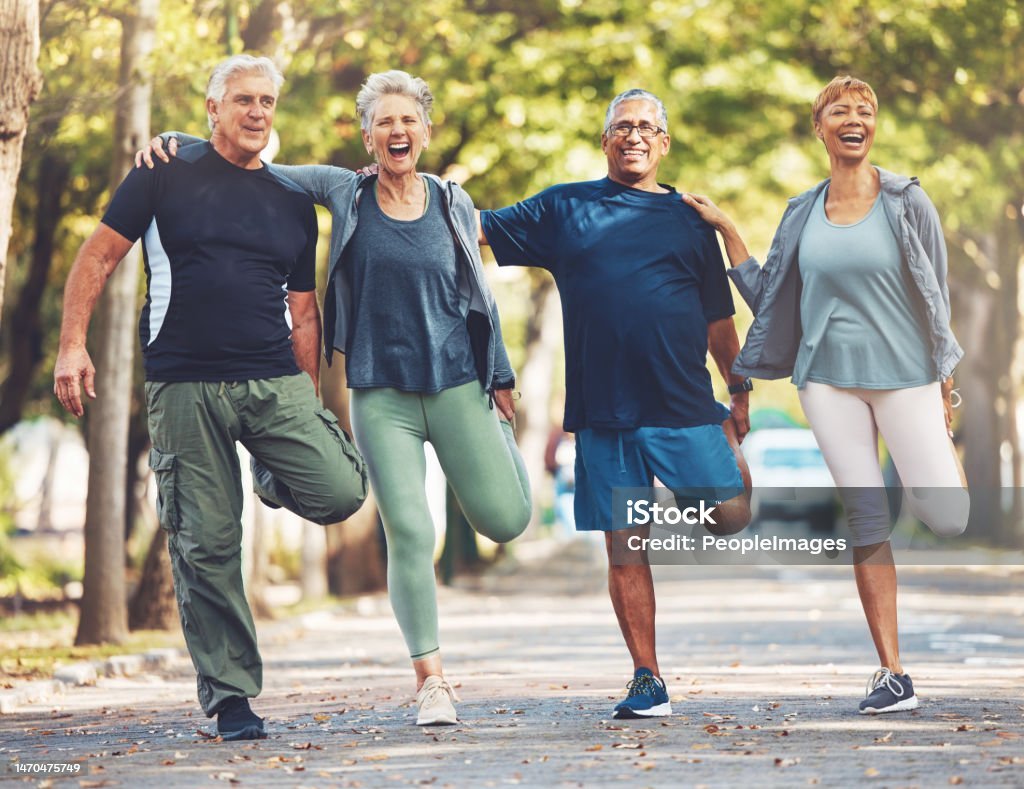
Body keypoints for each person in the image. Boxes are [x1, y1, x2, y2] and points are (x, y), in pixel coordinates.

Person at [140, 70, 531, 726]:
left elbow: (481, 296)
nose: (397, 131)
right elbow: (257, 159)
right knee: (411, 529)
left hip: (460, 383)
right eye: (384, 122)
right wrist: (178, 140)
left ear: (425, 131)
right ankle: (431, 680)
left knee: (507, 519)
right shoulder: (343, 193)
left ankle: (504, 449)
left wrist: (501, 372)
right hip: (382, 394)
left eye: (408, 120)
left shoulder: (453, 203)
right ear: (368, 135)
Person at [53, 55, 368, 740]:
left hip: (271, 380)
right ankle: (231, 697)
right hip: (184, 382)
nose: (258, 112)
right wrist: (72, 341)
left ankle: (270, 468)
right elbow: (98, 255)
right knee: (207, 544)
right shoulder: (163, 170)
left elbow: (304, 313)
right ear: (213, 107)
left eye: (268, 102)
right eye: (245, 100)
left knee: (342, 489)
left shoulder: (290, 200)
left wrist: (308, 403)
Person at [683, 75, 970, 715]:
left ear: (873, 127)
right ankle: (892, 673)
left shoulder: (907, 201)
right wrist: (729, 230)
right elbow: (773, 300)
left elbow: (938, 298)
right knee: (867, 519)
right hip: (827, 381)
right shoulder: (801, 213)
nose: (853, 118)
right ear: (820, 129)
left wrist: (944, 384)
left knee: (949, 516)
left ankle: (939, 455)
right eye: (839, 110)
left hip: (908, 377)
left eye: (864, 111)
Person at [478, 88, 752, 719]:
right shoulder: (564, 207)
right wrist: (398, 183)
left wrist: (736, 390)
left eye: (646, 127)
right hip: (605, 415)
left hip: (686, 407)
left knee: (730, 516)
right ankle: (647, 677)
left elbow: (718, 320)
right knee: (626, 549)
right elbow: (477, 225)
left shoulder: (692, 220)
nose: (634, 136)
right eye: (622, 126)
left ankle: (720, 461)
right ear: (605, 140)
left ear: (664, 142)